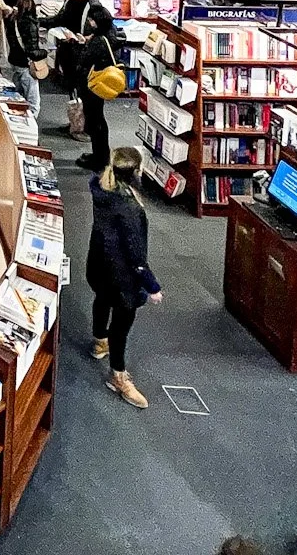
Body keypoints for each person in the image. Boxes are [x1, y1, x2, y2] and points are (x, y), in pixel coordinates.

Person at [87, 146, 163, 409]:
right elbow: (136, 255)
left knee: (101, 299)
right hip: (122, 278)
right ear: (136, 172)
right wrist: (152, 286)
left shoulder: (100, 187)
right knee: (121, 325)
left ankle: (99, 341)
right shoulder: (130, 208)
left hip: (98, 264)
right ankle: (118, 376)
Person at [47, 0, 119, 171]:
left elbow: (94, 53)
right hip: (85, 73)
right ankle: (96, 151)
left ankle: (100, 158)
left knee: (96, 118)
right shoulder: (72, 5)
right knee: (93, 116)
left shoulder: (96, 14)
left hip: (93, 79)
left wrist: (82, 41)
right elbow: (60, 19)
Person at [1, 0, 47, 115]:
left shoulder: (11, 20)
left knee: (18, 95)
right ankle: (30, 122)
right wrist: (45, 52)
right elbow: (31, 50)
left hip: (15, 61)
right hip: (27, 64)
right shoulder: (30, 24)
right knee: (33, 100)